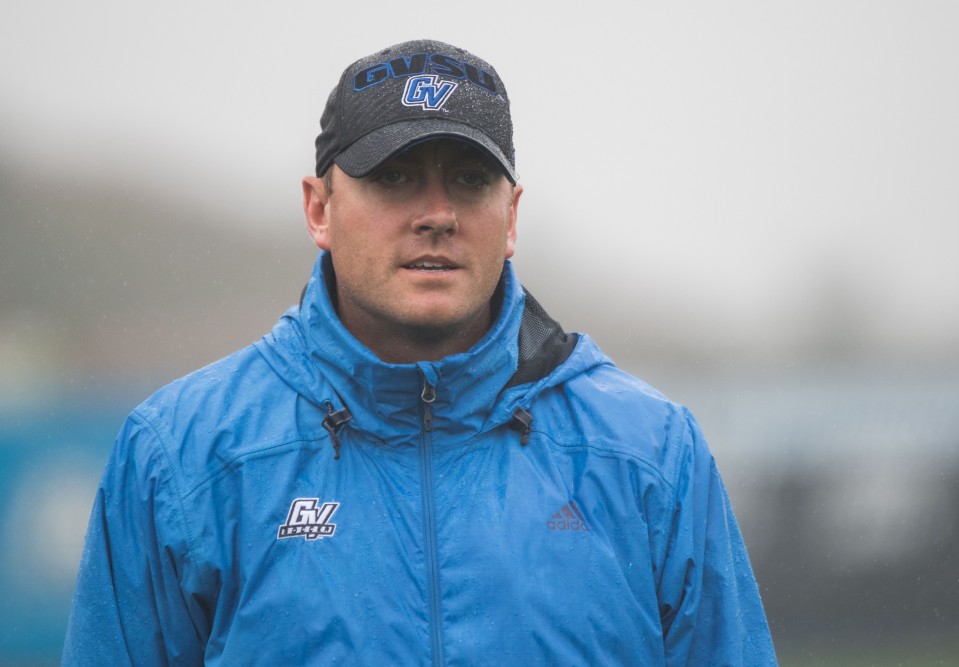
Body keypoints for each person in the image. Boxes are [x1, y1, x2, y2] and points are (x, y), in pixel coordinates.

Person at [63, 39, 777, 665]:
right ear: (319, 208)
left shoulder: (650, 454)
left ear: (512, 216)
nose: (437, 213)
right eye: (394, 176)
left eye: (469, 179)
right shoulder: (181, 457)